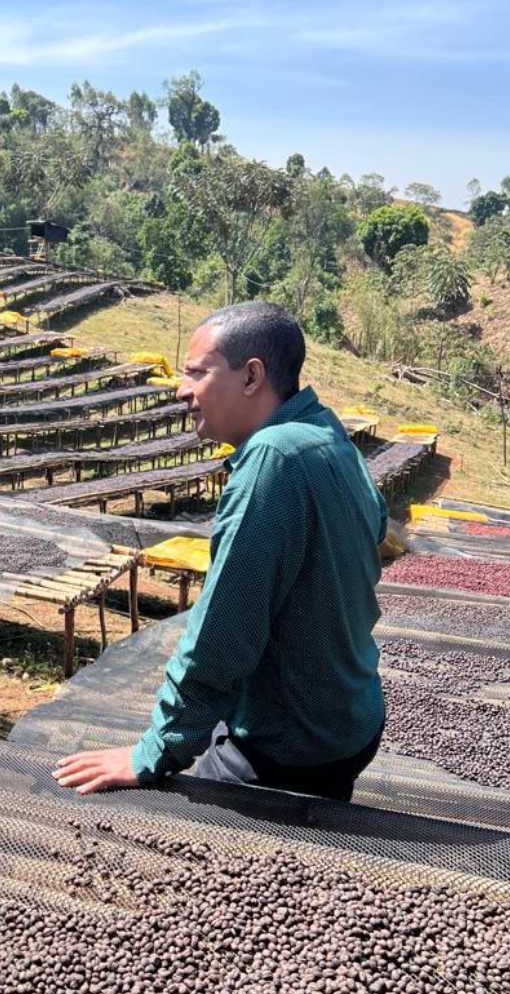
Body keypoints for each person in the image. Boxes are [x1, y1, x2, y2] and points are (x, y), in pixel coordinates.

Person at [54, 302, 388, 803]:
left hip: (288, 743)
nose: (181, 389)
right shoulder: (326, 435)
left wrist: (157, 749)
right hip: (348, 718)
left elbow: (223, 632)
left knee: (163, 820)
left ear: (251, 376)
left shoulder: (274, 459)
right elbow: (377, 525)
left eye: (197, 373)